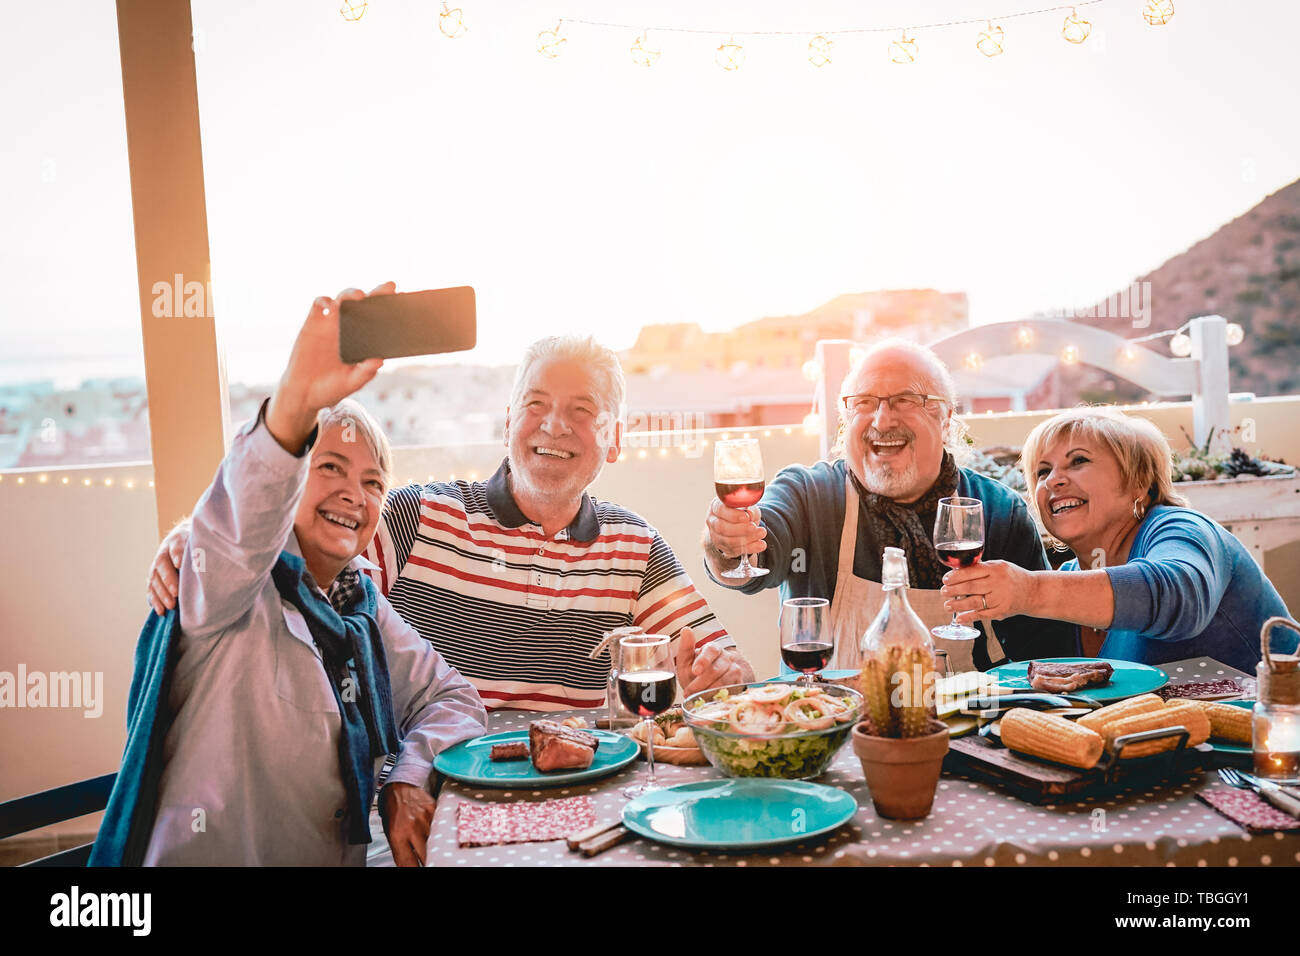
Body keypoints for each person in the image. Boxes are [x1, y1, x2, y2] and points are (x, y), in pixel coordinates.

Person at [149, 333, 753, 710]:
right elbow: (297, 555)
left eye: (581, 411)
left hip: (582, 791)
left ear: (615, 441)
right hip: (426, 790)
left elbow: (729, 670)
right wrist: (194, 537)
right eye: (536, 405)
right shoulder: (418, 516)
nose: (552, 425)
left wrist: (719, 673)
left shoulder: (635, 546)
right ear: (508, 418)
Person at [101, 285, 486, 867]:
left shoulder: (356, 601)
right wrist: (296, 401)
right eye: (328, 467)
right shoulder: (228, 588)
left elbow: (449, 697)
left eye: (373, 482)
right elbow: (240, 520)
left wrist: (409, 778)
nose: (353, 496)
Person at [702, 339, 1075, 672]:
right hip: (833, 731)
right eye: (864, 402)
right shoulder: (808, 494)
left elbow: (1047, 655)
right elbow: (756, 556)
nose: (882, 419)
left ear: (944, 419)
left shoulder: (999, 511)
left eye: (905, 400)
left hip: (966, 737)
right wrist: (728, 542)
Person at [940, 406, 1297, 673]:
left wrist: (1029, 591)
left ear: (1138, 482)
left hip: (1275, 747)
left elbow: (1180, 596)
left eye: (1078, 461)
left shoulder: (1181, 529)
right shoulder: (1068, 580)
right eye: (1043, 471)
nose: (1054, 481)